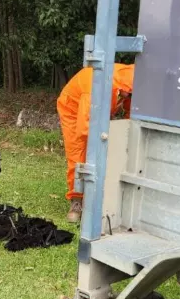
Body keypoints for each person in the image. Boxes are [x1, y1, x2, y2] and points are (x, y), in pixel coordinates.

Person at [57, 63, 134, 223]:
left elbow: (130, 110)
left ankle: (101, 196)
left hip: (98, 108)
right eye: (129, 95)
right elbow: (85, 129)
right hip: (73, 108)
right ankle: (76, 200)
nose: (129, 97)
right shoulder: (94, 87)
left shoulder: (130, 79)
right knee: (78, 151)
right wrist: (106, 138)